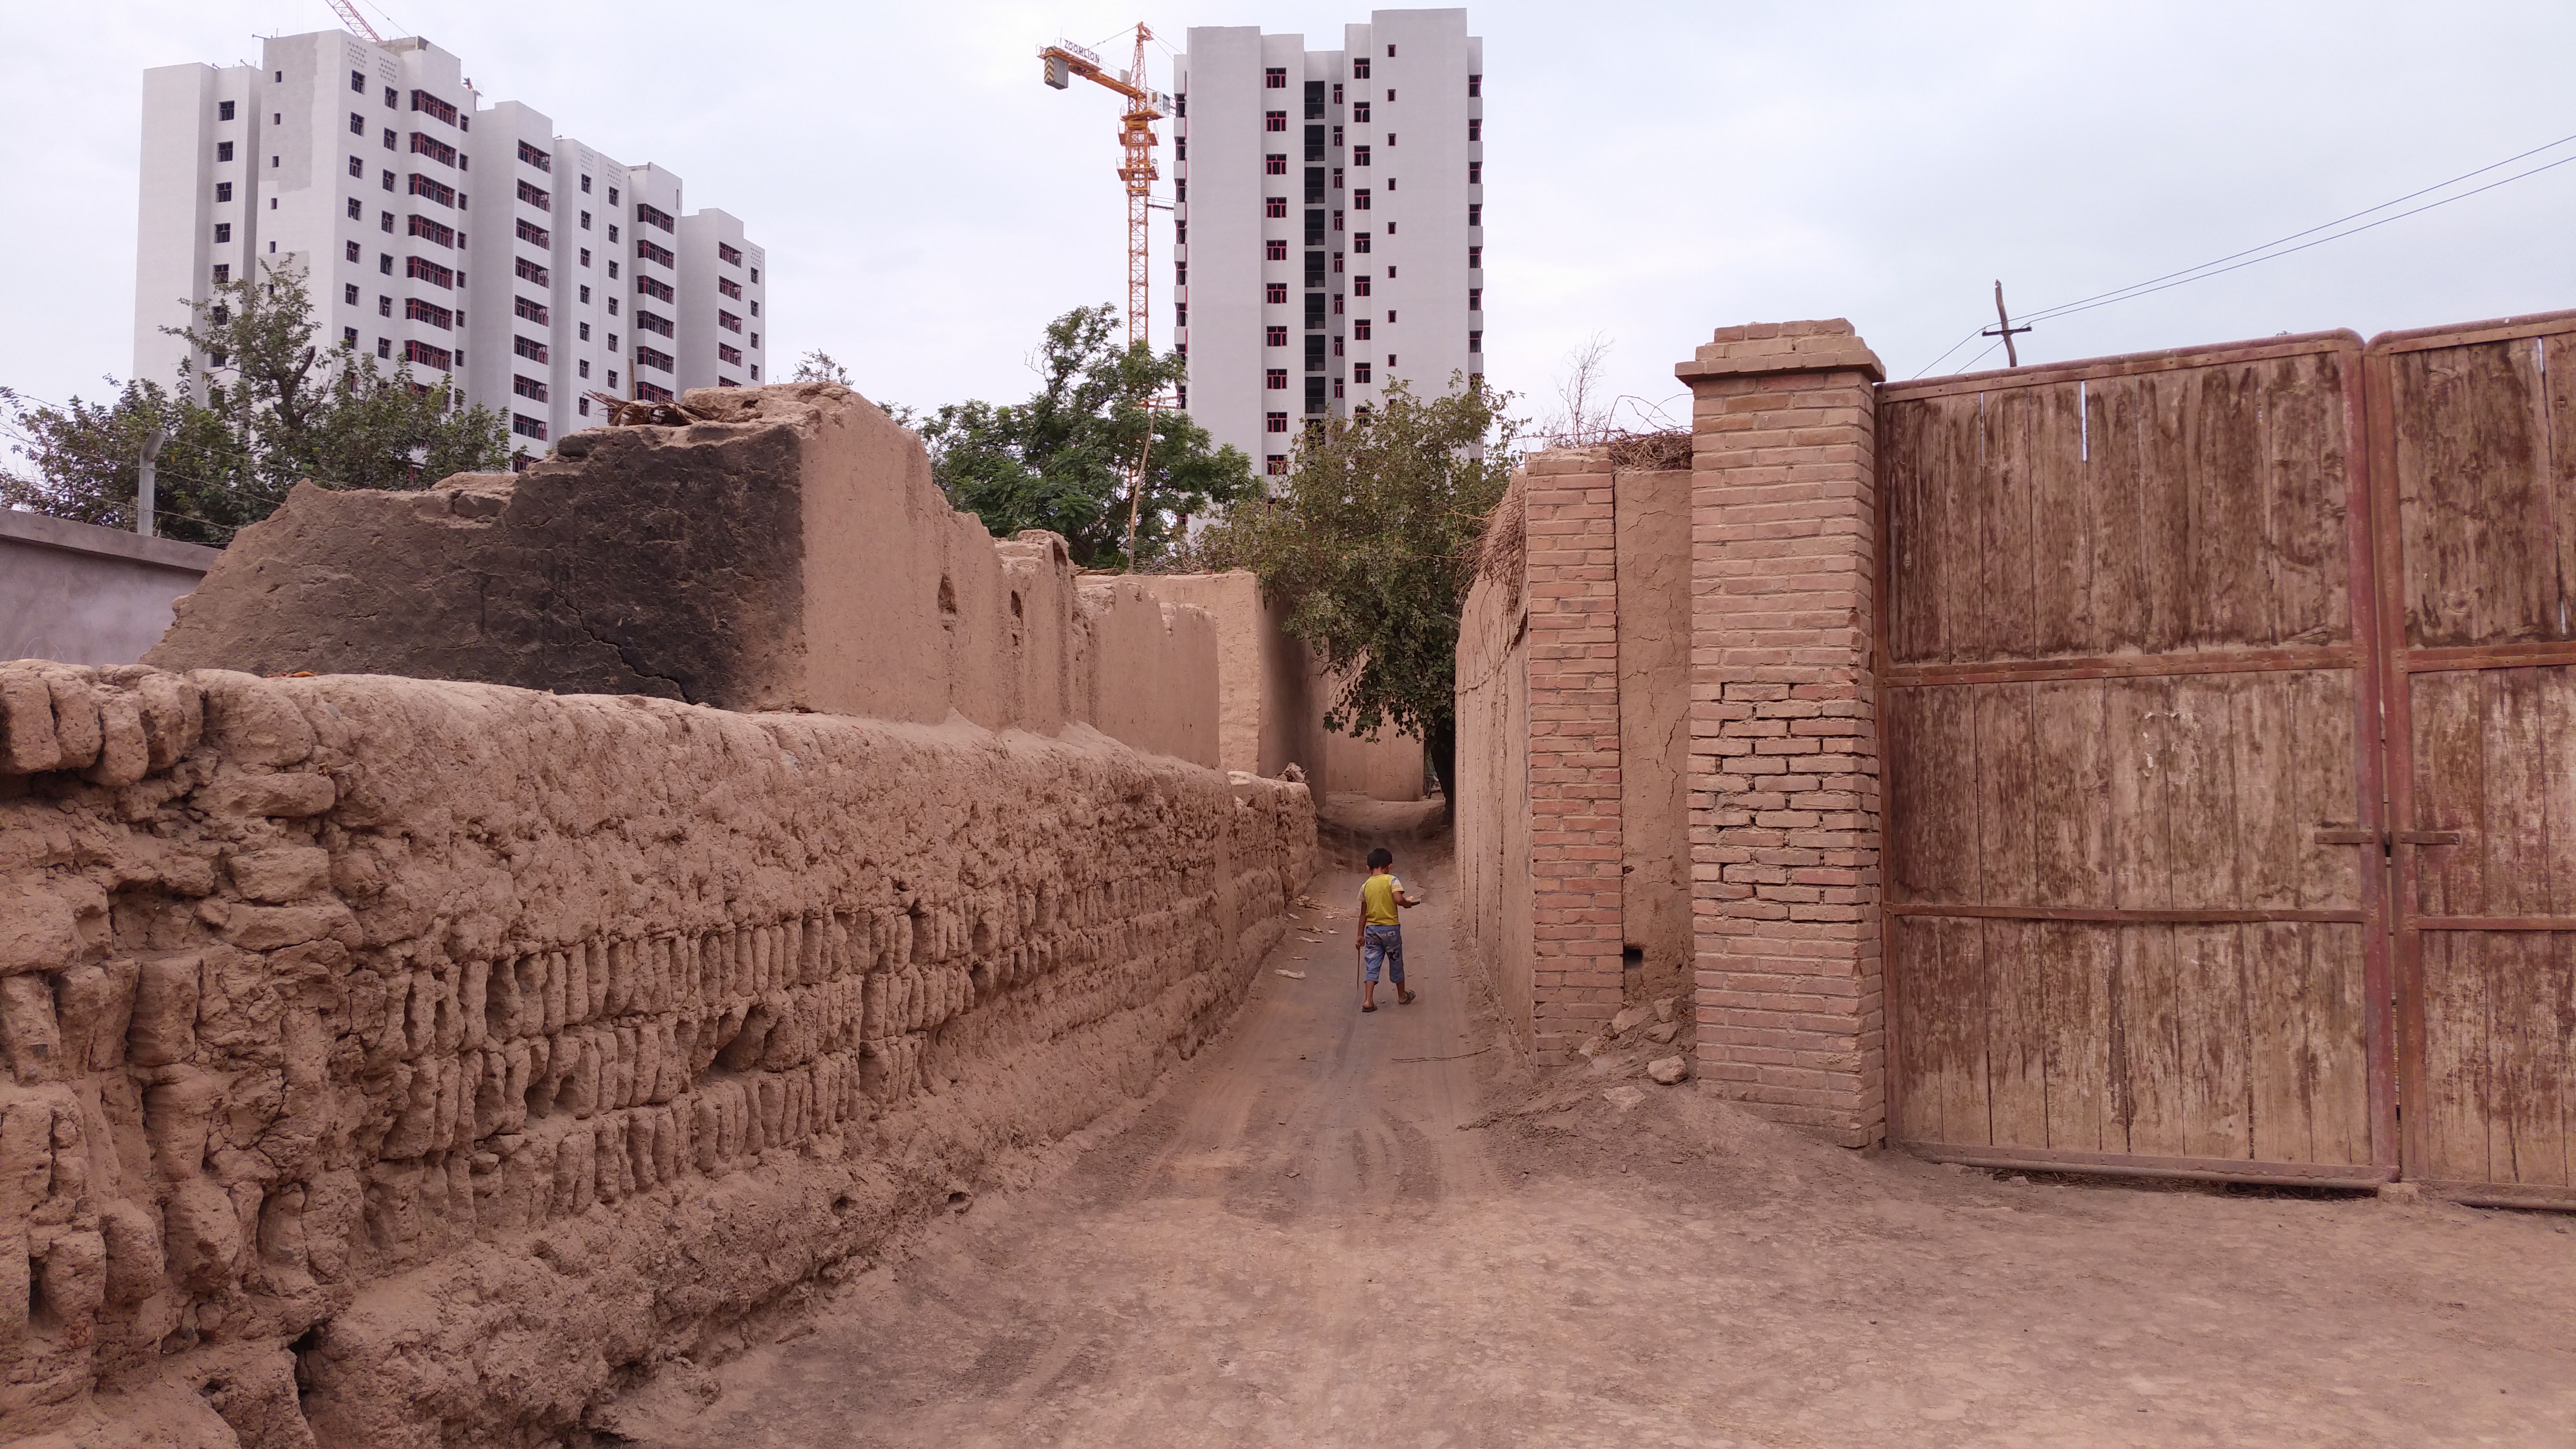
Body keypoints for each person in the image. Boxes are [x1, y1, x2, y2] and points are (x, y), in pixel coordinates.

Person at [1355, 846, 1419, 1013]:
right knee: (1396, 961)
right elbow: (1398, 899)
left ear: (1368, 868)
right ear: (1390, 866)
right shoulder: (1392, 880)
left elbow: (1364, 913)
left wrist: (1360, 935)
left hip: (1372, 932)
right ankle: (1402, 996)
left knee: (1372, 963)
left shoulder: (1365, 886)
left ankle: (1368, 1000)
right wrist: (1407, 903)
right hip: (1390, 930)